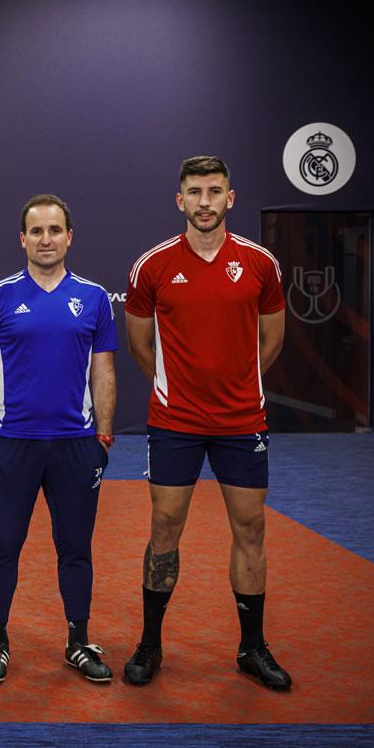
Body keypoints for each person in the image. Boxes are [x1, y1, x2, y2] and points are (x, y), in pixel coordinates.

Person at [122, 155, 290, 691]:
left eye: (214, 191)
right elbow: (139, 343)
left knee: (251, 529)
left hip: (243, 421)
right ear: (180, 200)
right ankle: (150, 646)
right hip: (175, 421)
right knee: (165, 528)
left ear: (229, 198)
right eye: (194, 192)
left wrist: (239, 384)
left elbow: (273, 339)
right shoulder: (151, 266)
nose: (204, 202)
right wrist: (178, 387)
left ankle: (252, 647)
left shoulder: (261, 264)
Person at [0, 194, 118, 684]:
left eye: (55, 230)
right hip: (13, 444)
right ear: (23, 239)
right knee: (4, 544)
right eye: (37, 231)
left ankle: (78, 639)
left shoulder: (93, 297)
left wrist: (103, 438)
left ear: (69, 236)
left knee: (75, 546)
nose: (46, 239)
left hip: (77, 446)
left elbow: (105, 371)